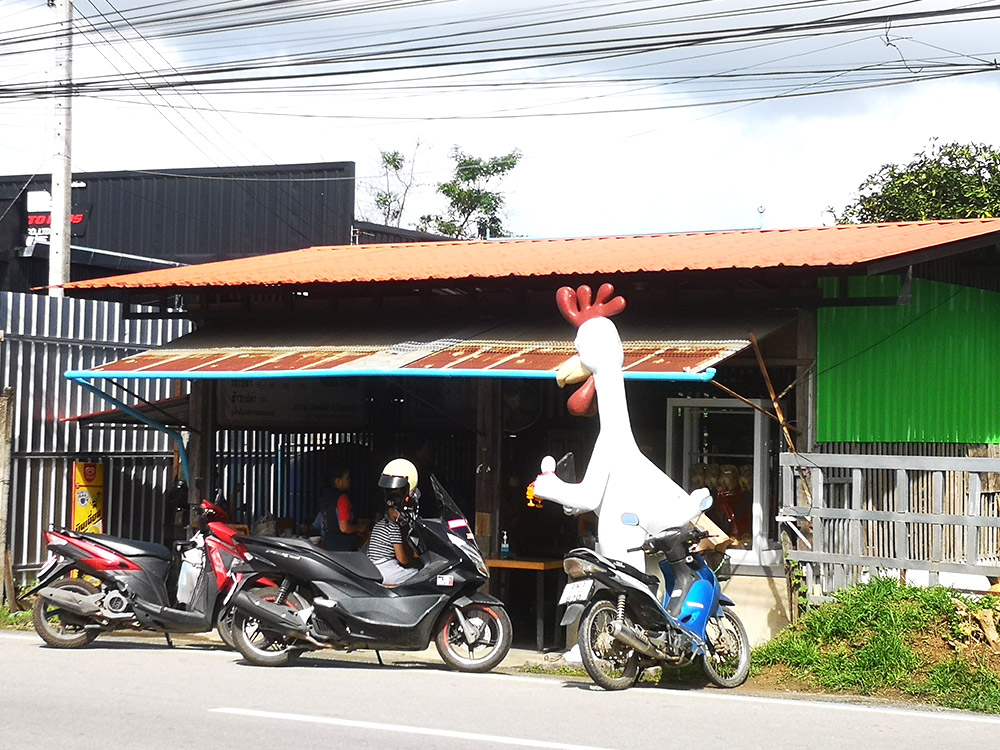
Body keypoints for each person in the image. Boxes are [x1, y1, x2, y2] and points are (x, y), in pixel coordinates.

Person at [365, 458, 421, 586]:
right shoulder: (393, 528)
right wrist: (416, 563)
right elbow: (402, 559)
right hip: (385, 568)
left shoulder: (379, 525)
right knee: (418, 575)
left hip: (371, 566)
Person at [313, 467, 366, 551]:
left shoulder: (325, 498)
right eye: (347, 478)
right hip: (344, 546)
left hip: (329, 544)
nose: (349, 480)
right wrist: (359, 527)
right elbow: (344, 528)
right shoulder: (342, 498)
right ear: (338, 481)